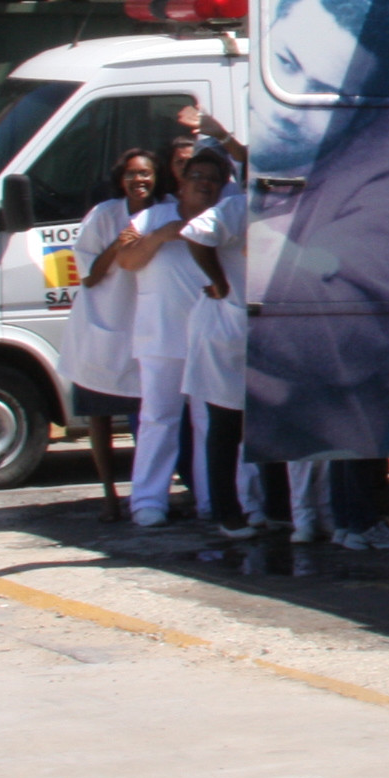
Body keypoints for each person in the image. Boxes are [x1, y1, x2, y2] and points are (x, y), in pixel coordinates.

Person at [247, 0, 389, 464]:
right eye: (284, 63)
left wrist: (238, 244)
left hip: (307, 455)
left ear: (363, 110)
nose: (292, 103)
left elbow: (327, 337)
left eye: (329, 96)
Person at [113, 155, 226, 526]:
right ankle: (148, 502)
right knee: (158, 419)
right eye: (197, 176)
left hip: (211, 340)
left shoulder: (228, 219)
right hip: (160, 337)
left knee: (211, 424)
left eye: (213, 178)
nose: (204, 184)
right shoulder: (151, 218)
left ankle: (215, 502)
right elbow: (126, 260)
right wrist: (164, 234)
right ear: (181, 181)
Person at [175, 149, 271, 538]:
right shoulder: (238, 208)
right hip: (223, 328)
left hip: (253, 332)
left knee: (265, 425)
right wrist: (219, 281)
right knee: (225, 426)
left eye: (215, 178)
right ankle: (226, 513)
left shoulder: (279, 210)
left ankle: (273, 508)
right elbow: (196, 234)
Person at [64, 150, 159, 523]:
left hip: (148, 323)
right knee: (99, 415)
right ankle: (109, 495)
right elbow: (88, 274)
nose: (140, 181)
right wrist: (118, 245)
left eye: (147, 174)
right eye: (133, 174)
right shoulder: (105, 215)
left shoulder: (166, 212)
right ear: (122, 180)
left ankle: (147, 495)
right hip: (104, 322)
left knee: (149, 418)